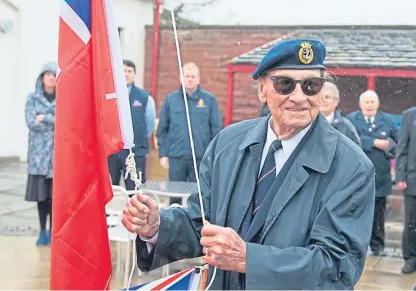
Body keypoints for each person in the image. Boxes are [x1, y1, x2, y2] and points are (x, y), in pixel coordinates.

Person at [122, 39, 375, 289]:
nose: (299, 97)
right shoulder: (228, 143)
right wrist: (157, 227)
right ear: (262, 89)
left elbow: (338, 266)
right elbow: (203, 222)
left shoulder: (352, 167)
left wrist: (250, 260)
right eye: (285, 84)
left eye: (311, 85)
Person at [156, 62, 222, 204]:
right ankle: (174, 224)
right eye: (187, 76)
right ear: (181, 78)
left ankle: (195, 224)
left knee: (197, 195)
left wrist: (212, 155)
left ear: (198, 78)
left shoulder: (209, 100)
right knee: (175, 195)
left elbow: (216, 130)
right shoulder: (171, 100)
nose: (190, 79)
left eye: (193, 76)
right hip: (176, 157)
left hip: (200, 157)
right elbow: (162, 130)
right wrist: (163, 154)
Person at [347, 90, 399, 256]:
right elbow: (349, 140)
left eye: (372, 102)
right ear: (360, 104)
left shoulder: (387, 120)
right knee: (356, 211)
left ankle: (378, 246)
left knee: (378, 214)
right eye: (366, 102)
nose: (369, 105)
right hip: (357, 174)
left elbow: (400, 141)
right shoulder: (351, 120)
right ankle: (356, 246)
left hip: (380, 175)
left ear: (377, 104)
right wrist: (373, 142)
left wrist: (391, 147)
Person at [107, 60, 156, 188]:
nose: (126, 74)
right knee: (112, 190)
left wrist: (137, 137)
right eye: (123, 71)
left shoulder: (144, 98)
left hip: (136, 151)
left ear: (134, 74)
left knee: (135, 190)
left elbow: (149, 124)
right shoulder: (109, 95)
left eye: (130, 71)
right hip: (113, 151)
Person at [24, 62, 57, 246]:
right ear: (42, 77)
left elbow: (64, 122)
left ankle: (54, 231)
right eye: (48, 74)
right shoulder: (32, 99)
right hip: (38, 158)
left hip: (56, 158)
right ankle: (42, 230)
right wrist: (53, 121)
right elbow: (31, 122)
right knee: (41, 198)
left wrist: (44, 117)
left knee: (55, 198)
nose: (52, 77)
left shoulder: (63, 99)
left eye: (54, 74)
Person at [395, 106, 416, 273]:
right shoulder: (409, 115)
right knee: (411, 222)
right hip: (413, 178)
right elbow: (402, 147)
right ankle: (410, 258)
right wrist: (400, 176)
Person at [319, 81, 361, 147]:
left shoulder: (345, 125)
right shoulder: (306, 123)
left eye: (327, 97)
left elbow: (356, 150)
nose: (324, 100)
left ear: (336, 101)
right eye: (320, 97)